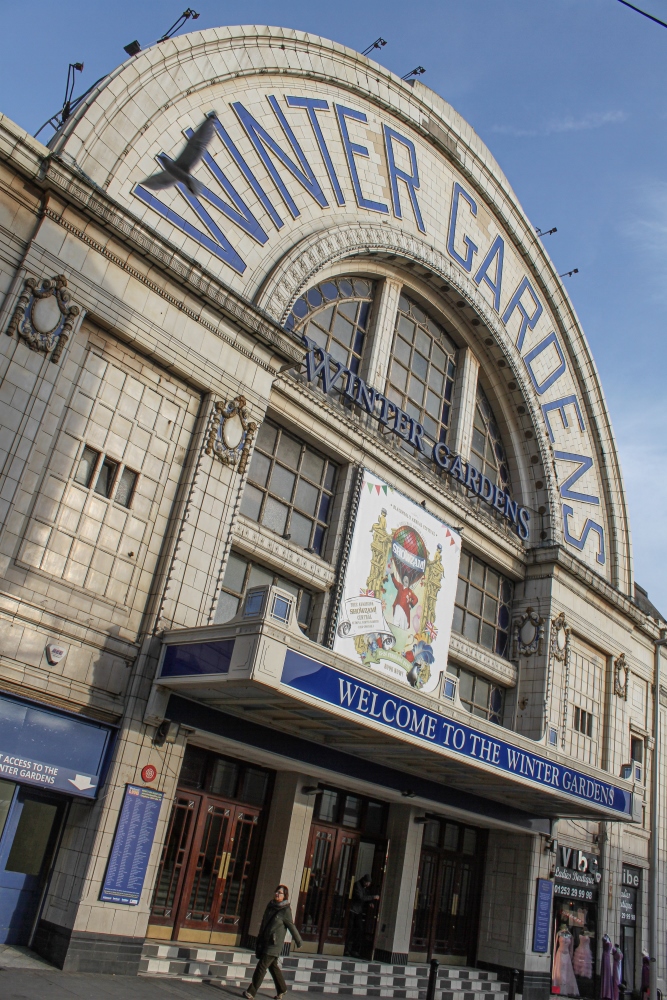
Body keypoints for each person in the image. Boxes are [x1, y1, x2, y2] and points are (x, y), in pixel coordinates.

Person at [243, 885, 302, 1000]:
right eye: (276, 891)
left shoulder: (285, 910)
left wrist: (298, 941)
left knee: (261, 966)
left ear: (285, 896)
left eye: (280, 893)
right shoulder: (270, 906)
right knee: (273, 967)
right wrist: (260, 936)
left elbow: (291, 926)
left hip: (274, 944)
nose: (277, 894)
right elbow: (264, 923)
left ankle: (251, 992)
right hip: (266, 941)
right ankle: (282, 989)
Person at [346, 875, 379, 959]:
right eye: (367, 882)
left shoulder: (365, 888)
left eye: (369, 883)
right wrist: (373, 897)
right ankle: (345, 949)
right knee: (349, 930)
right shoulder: (357, 885)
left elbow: (365, 897)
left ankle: (355, 950)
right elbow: (360, 897)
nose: (368, 884)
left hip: (359, 911)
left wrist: (370, 902)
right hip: (352, 910)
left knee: (360, 930)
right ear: (364, 881)